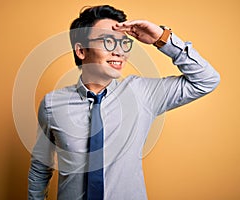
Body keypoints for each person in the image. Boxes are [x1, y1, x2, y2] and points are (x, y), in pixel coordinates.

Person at [28, 5, 220, 200]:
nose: (119, 52)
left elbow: (207, 79)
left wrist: (162, 39)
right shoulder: (52, 104)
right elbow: (40, 169)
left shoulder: (142, 93)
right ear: (81, 51)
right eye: (108, 42)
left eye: (123, 43)